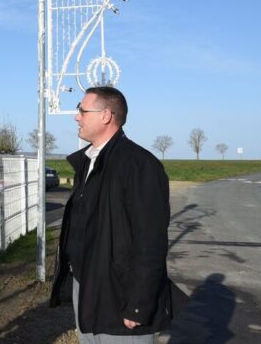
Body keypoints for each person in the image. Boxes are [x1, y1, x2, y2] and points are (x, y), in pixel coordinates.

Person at [49, 86, 172, 343]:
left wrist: (138, 304)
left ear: (106, 116)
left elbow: (151, 241)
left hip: (120, 295)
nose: (76, 116)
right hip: (87, 285)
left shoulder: (139, 165)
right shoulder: (89, 162)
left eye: (82, 110)